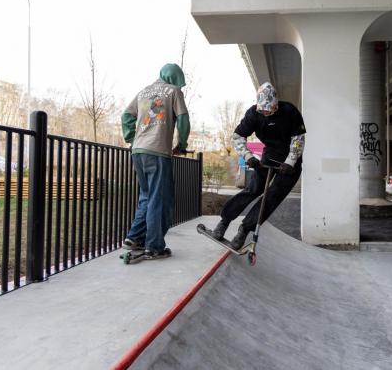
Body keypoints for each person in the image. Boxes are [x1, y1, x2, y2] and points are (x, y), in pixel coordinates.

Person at [212, 82, 306, 250]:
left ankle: (244, 229)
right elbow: (238, 136)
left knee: (272, 197)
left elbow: (298, 139)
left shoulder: (290, 111)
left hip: (291, 160)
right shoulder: (253, 114)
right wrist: (248, 157)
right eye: (263, 110)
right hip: (270, 155)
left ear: (276, 104)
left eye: (269, 109)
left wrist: (290, 162)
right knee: (253, 189)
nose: (266, 112)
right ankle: (224, 221)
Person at [120, 63, 190, 259]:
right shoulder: (174, 91)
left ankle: (134, 238)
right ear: (176, 79)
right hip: (158, 151)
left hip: (138, 151)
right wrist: (182, 144)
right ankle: (154, 246)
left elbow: (127, 115)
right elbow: (183, 119)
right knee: (159, 199)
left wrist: (131, 138)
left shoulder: (144, 91)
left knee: (146, 195)